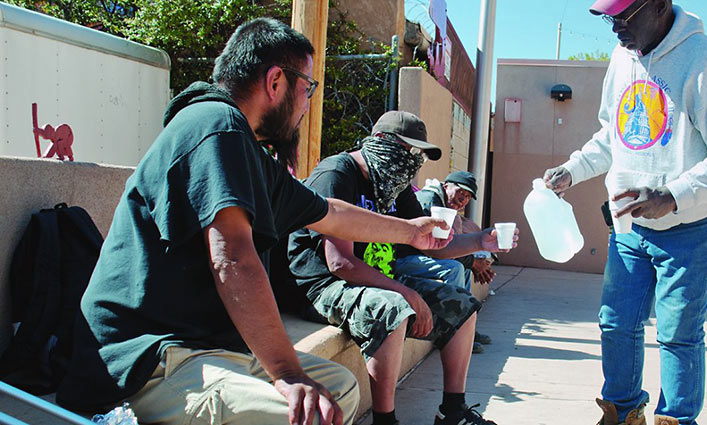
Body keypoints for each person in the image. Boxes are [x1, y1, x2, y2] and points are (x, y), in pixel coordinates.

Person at [56, 18, 452, 425]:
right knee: (310, 412)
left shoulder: (245, 151)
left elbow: (329, 213)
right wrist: (288, 374)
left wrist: (411, 231)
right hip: (147, 359)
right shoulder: (215, 126)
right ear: (275, 81)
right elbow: (234, 259)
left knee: (340, 388)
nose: (307, 102)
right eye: (307, 88)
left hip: (208, 347)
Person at [542, 1, 707, 424]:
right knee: (616, 324)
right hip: (629, 227)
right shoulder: (623, 57)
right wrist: (573, 169)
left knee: (677, 333)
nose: (615, 27)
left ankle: (675, 419)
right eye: (609, 18)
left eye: (624, 16)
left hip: (691, 227)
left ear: (658, 5)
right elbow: (613, 135)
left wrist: (673, 194)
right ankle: (621, 413)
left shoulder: (703, 58)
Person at [288, 111, 516, 425]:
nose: (413, 161)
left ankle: (452, 412)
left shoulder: (393, 186)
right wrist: (405, 292)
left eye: (418, 154)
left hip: (375, 278)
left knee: (462, 306)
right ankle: (385, 421)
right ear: (381, 141)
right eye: (408, 151)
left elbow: (431, 246)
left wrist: (481, 240)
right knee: (393, 307)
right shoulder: (337, 174)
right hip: (325, 285)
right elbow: (339, 263)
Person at [394, 171, 496, 353]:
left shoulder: (444, 206)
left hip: (419, 256)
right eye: (460, 192)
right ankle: (452, 332)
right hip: (400, 258)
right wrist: (472, 262)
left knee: (462, 268)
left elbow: (445, 245)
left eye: (467, 197)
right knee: (454, 268)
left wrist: (473, 263)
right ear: (445, 186)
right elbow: (432, 248)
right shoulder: (429, 200)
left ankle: (465, 327)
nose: (462, 200)